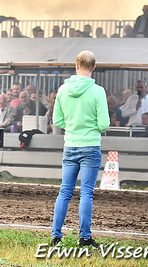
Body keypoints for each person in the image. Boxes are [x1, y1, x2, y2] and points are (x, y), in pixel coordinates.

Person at [50, 51, 109, 248]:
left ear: (76, 65)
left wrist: (73, 125)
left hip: (70, 145)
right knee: (86, 193)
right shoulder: (98, 91)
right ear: (94, 67)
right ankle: (84, 237)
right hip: (90, 146)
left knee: (65, 191)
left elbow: (57, 120)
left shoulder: (63, 90)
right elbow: (104, 124)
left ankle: (55, 236)